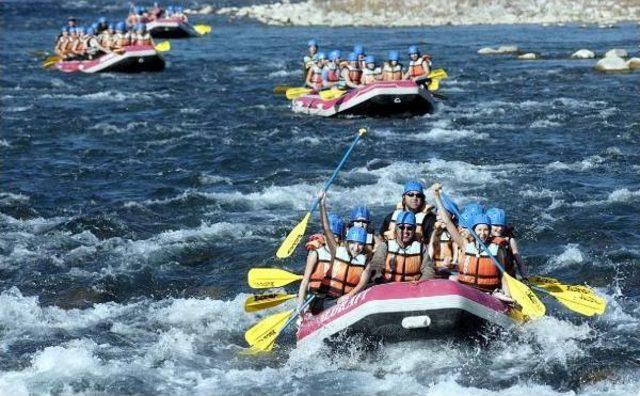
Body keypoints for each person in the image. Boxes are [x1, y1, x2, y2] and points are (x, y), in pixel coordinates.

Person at [431, 184, 511, 297]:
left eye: (486, 230)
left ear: (489, 231)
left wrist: (507, 295)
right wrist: (437, 197)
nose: (482, 233)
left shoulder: (496, 248)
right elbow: (447, 222)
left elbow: (503, 275)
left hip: (488, 292)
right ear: (473, 230)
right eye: (479, 230)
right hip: (466, 290)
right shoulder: (464, 244)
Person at [370, 211, 435, 283]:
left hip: (414, 288)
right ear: (396, 229)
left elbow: (429, 270)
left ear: (414, 230)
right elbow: (375, 268)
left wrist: (420, 282)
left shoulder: (421, 248)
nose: (405, 231)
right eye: (401, 227)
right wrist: (383, 282)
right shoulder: (385, 246)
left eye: (409, 228)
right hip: (388, 287)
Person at [486, 207, 527, 278]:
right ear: (488, 225)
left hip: (507, 276)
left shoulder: (510, 240)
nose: (500, 228)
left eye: (502, 225)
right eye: (496, 225)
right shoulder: (482, 238)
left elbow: (519, 262)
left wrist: (525, 277)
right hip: (490, 277)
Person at [429, 194, 460, 277]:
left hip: (452, 271)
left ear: (453, 216)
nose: (439, 218)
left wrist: (451, 264)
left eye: (443, 215)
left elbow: (457, 259)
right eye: (438, 215)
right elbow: (429, 255)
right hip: (436, 270)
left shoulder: (457, 234)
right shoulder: (435, 233)